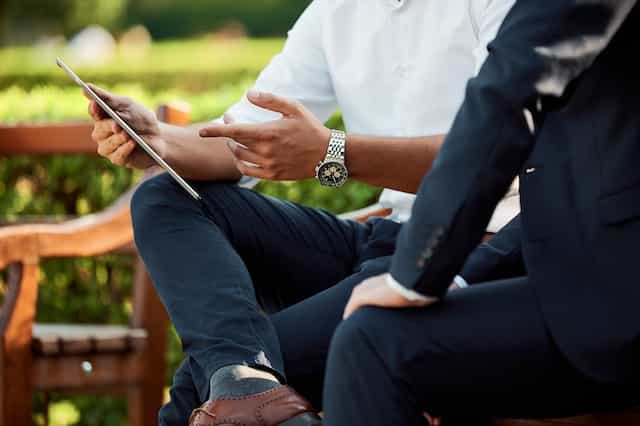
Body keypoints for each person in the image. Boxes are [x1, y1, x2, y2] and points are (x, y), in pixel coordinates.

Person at [86, 1, 518, 424]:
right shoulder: (335, 11)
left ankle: (243, 382)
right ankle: (246, 380)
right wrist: (157, 140)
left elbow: (491, 155)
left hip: (472, 249)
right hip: (383, 237)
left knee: (197, 391)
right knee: (165, 197)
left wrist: (334, 152)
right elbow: (241, 139)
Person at [323, 1, 640, 425]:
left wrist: (413, 276)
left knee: (373, 343)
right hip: (589, 277)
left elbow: (506, 94)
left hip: (617, 298)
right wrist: (458, 275)